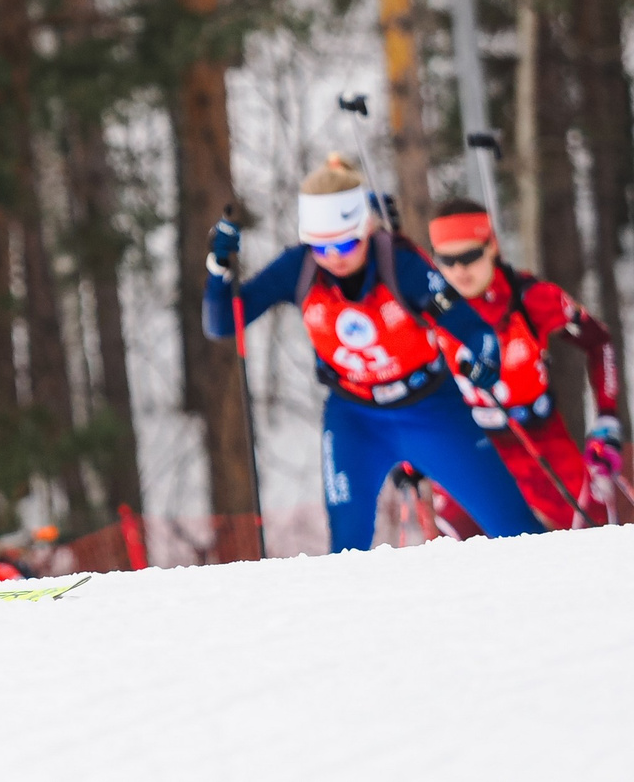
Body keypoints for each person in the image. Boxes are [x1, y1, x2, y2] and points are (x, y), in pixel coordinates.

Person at [204, 156, 538, 550]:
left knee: (517, 532)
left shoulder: (401, 264)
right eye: (322, 246)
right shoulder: (299, 268)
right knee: (347, 549)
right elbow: (224, 323)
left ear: (365, 229)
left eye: (346, 242)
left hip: (430, 411)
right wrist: (218, 270)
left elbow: (472, 328)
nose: (335, 257)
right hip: (354, 419)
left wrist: (485, 357)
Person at [424, 199, 622, 529]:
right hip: (469, 444)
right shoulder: (427, 309)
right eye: (447, 260)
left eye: (470, 256)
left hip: (539, 439)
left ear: (492, 247)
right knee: (454, 552)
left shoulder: (532, 298)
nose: (459, 270)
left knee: (593, 534)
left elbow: (599, 342)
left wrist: (606, 418)